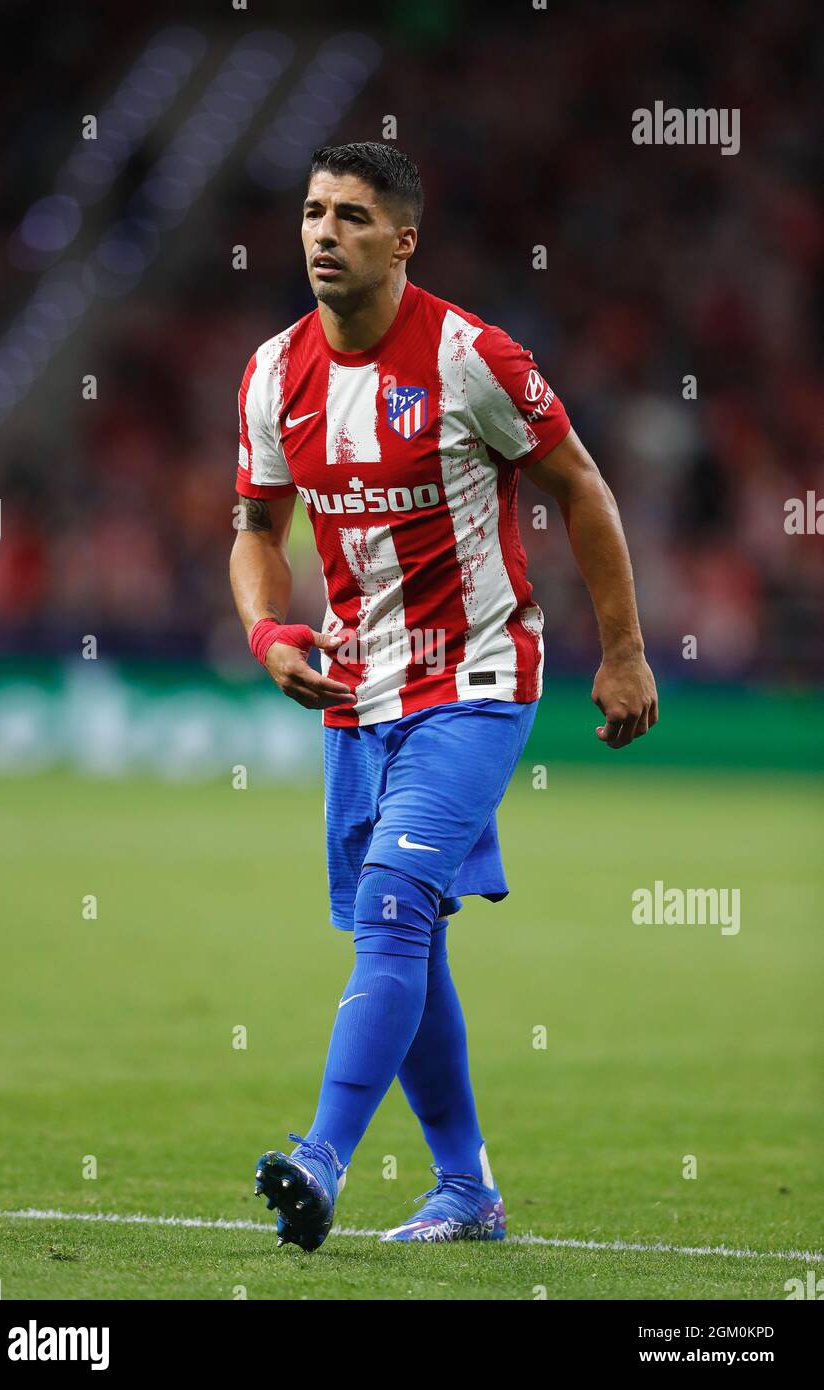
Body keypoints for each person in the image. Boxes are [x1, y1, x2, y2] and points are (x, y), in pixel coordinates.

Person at [229, 142, 658, 1250]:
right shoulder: (273, 372)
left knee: (391, 908)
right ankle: (464, 1186)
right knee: (408, 933)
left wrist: (623, 649)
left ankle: (320, 1155)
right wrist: (270, 630)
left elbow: (580, 488)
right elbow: (255, 532)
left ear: (402, 240)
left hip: (474, 677)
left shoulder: (473, 357)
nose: (324, 232)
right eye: (314, 211)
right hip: (352, 689)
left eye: (354, 217)